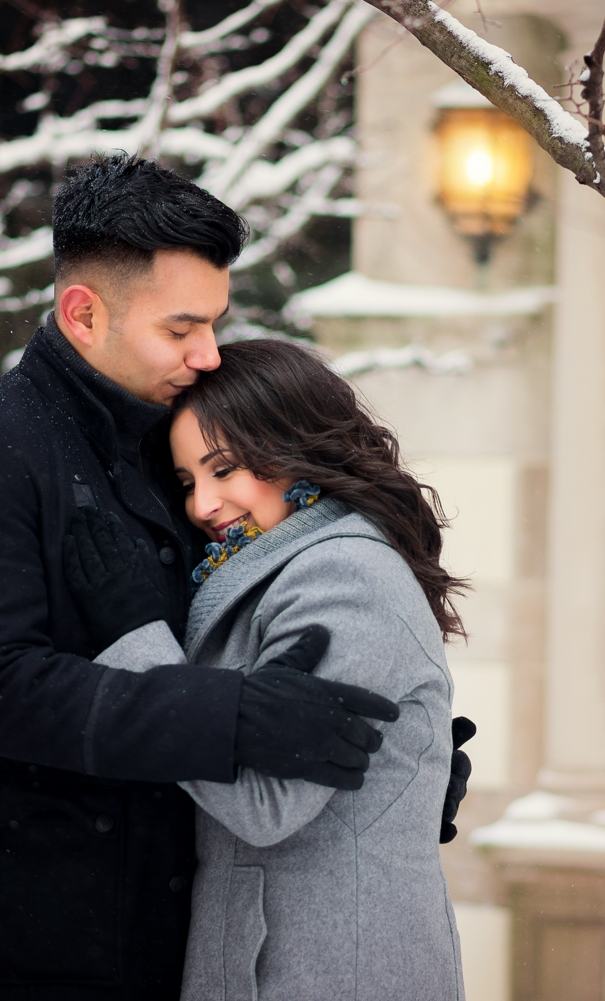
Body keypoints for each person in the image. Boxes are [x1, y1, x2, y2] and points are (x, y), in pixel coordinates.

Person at [0, 157, 434, 1001]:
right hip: (33, 948)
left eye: (215, 322)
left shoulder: (175, 450)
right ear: (83, 312)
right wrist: (236, 718)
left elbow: (246, 630)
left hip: (182, 944)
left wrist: (394, 752)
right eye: (181, 329)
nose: (207, 352)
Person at [67, 337, 471, 1000]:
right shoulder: (278, 569)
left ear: (295, 448)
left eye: (225, 468)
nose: (203, 505)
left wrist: (134, 640)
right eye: (189, 481)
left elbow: (266, 802)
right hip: (283, 958)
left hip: (334, 966)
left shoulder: (343, 576)